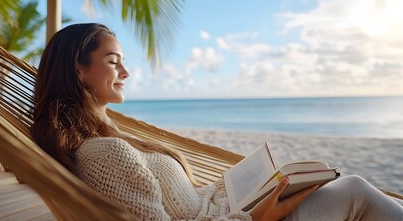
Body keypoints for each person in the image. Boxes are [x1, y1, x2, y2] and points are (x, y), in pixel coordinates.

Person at [31, 23, 403, 221]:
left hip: (231, 207)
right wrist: (255, 216)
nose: (126, 71)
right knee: (354, 190)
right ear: (79, 69)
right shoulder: (104, 152)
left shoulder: (109, 135)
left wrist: (246, 188)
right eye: (113, 61)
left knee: (346, 190)